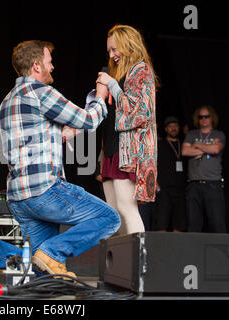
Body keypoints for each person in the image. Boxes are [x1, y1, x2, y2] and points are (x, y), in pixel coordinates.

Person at [0, 40, 120, 280]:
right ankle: (54, 252)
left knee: (38, 267)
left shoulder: (6, 102)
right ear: (36, 66)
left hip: (19, 197)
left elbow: (37, 132)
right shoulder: (41, 92)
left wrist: (62, 133)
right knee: (109, 218)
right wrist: (99, 96)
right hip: (45, 190)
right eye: (49, 62)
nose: (52, 67)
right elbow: (88, 120)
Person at [95, 24, 158, 235]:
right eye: (109, 51)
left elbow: (141, 113)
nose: (112, 55)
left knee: (126, 208)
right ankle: (123, 262)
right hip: (113, 150)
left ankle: (139, 262)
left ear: (129, 45)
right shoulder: (120, 73)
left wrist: (112, 85)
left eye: (115, 49)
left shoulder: (141, 70)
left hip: (129, 154)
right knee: (114, 213)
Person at [181, 105, 226, 233]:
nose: (204, 119)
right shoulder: (192, 134)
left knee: (217, 222)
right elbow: (185, 151)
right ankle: (192, 251)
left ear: (212, 118)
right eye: (201, 117)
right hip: (194, 184)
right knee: (193, 223)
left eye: (207, 116)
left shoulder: (219, 134)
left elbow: (216, 149)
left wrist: (196, 146)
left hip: (213, 184)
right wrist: (208, 147)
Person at [152, 116, 187, 232]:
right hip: (164, 189)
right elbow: (153, 165)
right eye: (170, 126)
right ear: (166, 129)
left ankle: (178, 248)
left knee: (180, 222)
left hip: (181, 189)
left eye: (175, 126)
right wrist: (155, 184)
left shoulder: (184, 145)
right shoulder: (160, 145)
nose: (173, 128)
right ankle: (160, 248)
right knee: (162, 221)